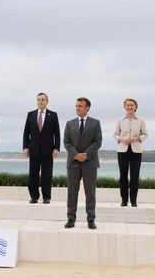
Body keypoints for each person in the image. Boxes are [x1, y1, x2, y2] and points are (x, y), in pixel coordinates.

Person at [63, 97, 102, 229]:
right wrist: (76, 155)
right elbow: (66, 142)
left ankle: (91, 220)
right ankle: (71, 219)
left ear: (87, 108)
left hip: (89, 163)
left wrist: (85, 155)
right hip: (73, 162)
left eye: (80, 106)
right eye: (76, 105)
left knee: (90, 193)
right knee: (72, 192)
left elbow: (98, 142)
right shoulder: (69, 123)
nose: (77, 108)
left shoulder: (95, 123)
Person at [22, 93, 60, 204]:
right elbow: (26, 132)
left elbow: (56, 133)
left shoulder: (53, 115)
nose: (40, 101)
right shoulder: (31, 114)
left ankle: (46, 197)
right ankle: (34, 196)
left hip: (48, 150)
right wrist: (25, 147)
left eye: (43, 99)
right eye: (38, 99)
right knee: (33, 174)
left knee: (47, 175)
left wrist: (56, 148)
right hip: (33, 149)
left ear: (47, 101)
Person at [113, 98, 148, 207]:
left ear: (135, 107)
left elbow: (145, 134)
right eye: (127, 105)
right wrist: (121, 139)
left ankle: (133, 201)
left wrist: (137, 138)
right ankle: (124, 200)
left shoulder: (141, 120)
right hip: (122, 150)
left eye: (131, 105)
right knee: (123, 176)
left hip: (136, 151)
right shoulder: (120, 120)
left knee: (135, 176)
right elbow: (115, 134)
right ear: (125, 107)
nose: (129, 107)